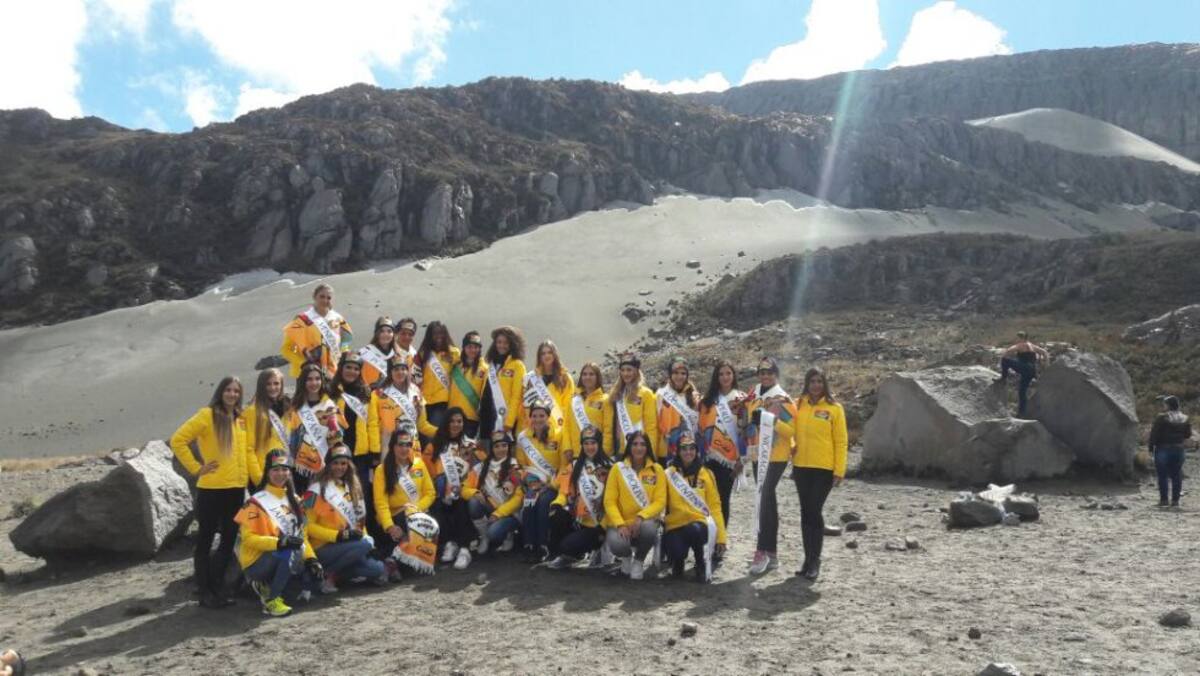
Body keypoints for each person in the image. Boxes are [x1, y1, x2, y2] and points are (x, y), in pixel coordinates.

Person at [169, 376, 253, 609]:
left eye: (237, 391)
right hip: (211, 489)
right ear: (220, 392)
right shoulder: (207, 415)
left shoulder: (240, 419)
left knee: (228, 540)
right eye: (228, 390)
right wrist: (197, 468)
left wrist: (250, 477)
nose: (232, 394)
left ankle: (217, 587)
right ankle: (204, 590)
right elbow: (179, 440)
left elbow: (245, 451)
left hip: (236, 489)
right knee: (205, 540)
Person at [236, 448, 323, 617]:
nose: (280, 473)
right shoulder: (254, 502)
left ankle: (266, 585)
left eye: (285, 469)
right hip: (256, 562)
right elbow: (248, 540)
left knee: (315, 580)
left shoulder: (296, 500)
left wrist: (312, 560)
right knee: (290, 551)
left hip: (284, 555)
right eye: (275, 469)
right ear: (267, 473)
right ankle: (271, 600)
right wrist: (279, 543)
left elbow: (302, 536)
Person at [302, 443, 387, 591]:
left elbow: (359, 521)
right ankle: (328, 574)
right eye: (335, 463)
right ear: (328, 465)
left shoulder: (353, 486)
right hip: (323, 547)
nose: (340, 467)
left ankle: (338, 574)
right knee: (364, 545)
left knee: (377, 569)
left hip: (348, 545)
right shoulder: (315, 490)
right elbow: (307, 527)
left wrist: (369, 543)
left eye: (343, 463)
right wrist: (338, 536)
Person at [791, 367, 848, 581]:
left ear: (825, 384)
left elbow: (841, 441)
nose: (816, 385)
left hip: (823, 469)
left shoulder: (835, 408)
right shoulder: (798, 405)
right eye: (812, 381)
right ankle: (807, 560)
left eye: (819, 381)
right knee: (806, 513)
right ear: (806, 383)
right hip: (801, 467)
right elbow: (790, 431)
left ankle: (815, 560)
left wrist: (839, 470)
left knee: (814, 511)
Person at [745, 357, 797, 576]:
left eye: (769, 372)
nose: (765, 376)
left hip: (775, 455)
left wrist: (771, 420)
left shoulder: (782, 399)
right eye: (762, 372)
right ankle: (772, 552)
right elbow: (748, 422)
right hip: (758, 454)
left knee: (764, 497)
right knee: (768, 499)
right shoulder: (754, 395)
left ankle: (762, 551)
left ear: (776, 374)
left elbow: (790, 431)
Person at [373, 425, 439, 577]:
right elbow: (380, 504)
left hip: (418, 513)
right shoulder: (381, 470)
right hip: (395, 518)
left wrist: (415, 509)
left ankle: (393, 561)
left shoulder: (419, 464)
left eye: (408, 444)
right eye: (400, 444)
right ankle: (394, 560)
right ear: (393, 446)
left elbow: (430, 493)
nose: (404, 448)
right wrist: (390, 527)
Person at [547, 425, 613, 569]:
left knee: (568, 545)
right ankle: (565, 555)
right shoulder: (575, 465)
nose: (590, 447)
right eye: (586, 443)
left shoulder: (611, 467)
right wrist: (557, 505)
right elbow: (564, 492)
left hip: (599, 524)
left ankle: (591, 549)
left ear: (599, 444)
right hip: (579, 520)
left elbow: (613, 502)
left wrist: (603, 527)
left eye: (593, 443)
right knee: (557, 515)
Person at [603, 430, 666, 580]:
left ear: (648, 447)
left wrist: (640, 517)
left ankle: (639, 560)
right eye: (635, 444)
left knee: (650, 528)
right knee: (616, 544)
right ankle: (626, 559)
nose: (639, 448)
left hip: (644, 522)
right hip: (622, 523)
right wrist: (620, 524)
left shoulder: (657, 470)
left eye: (643, 444)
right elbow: (609, 501)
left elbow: (660, 501)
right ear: (629, 447)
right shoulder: (617, 469)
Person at [663, 433, 726, 582]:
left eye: (692, 448)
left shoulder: (707, 474)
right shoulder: (668, 474)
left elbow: (715, 507)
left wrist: (721, 537)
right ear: (678, 451)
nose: (688, 452)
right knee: (675, 549)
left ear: (697, 451)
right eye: (684, 448)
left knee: (695, 530)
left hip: (699, 525)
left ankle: (700, 562)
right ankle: (678, 561)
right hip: (675, 525)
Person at [698, 360, 748, 532]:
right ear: (716, 377)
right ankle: (707, 539)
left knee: (723, 499)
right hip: (709, 456)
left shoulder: (742, 400)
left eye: (728, 373)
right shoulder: (708, 401)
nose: (725, 377)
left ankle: (721, 539)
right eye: (721, 374)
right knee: (706, 498)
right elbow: (702, 428)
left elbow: (744, 432)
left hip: (730, 459)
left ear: (733, 375)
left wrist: (742, 459)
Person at [515, 400, 565, 562]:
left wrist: (549, 485)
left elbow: (564, 467)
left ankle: (543, 545)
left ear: (548, 417)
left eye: (541, 415)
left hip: (553, 484)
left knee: (543, 502)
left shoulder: (559, 436)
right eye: (534, 416)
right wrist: (530, 482)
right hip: (533, 482)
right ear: (530, 418)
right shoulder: (523, 438)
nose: (537, 419)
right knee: (530, 500)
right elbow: (520, 465)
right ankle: (529, 544)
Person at [462, 432, 525, 554]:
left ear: (509, 447)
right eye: (497, 446)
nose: (501, 449)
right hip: (491, 507)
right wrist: (474, 492)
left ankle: (508, 534)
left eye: (504, 445)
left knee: (494, 534)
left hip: (510, 514)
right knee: (473, 502)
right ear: (491, 448)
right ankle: (484, 537)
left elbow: (518, 499)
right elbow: (464, 488)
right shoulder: (480, 467)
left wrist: (498, 514)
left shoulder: (515, 467)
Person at [368, 357, 437, 458]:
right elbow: (373, 423)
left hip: (412, 445)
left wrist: (442, 432)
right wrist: (375, 449)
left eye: (403, 369)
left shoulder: (416, 392)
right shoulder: (378, 394)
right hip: (388, 446)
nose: (400, 372)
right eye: (396, 369)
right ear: (390, 372)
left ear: (408, 371)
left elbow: (422, 425)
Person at [281, 283, 352, 380]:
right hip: (307, 374)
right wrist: (303, 363)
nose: (325, 300)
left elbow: (347, 338)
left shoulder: (338, 319)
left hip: (332, 373)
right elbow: (286, 349)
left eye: (329, 298)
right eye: (322, 296)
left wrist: (344, 354)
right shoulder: (302, 320)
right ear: (314, 297)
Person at [431, 431, 480, 570]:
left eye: (470, 449)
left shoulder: (479, 462)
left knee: (461, 502)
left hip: (471, 498)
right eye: (464, 449)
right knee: (443, 501)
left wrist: (464, 491)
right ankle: (451, 543)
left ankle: (465, 549)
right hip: (453, 495)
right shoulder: (451, 462)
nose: (467, 452)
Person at [245, 367, 296, 487]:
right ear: (261, 386)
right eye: (268, 384)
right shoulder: (252, 411)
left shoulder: (288, 407)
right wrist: (258, 478)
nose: (273, 387)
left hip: (285, 472)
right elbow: (248, 448)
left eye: (276, 383)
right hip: (264, 473)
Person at [606, 354, 659, 459]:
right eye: (623, 370)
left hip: (639, 448)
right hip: (619, 447)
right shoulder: (616, 393)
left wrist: (651, 451)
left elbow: (651, 426)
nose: (626, 373)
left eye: (629, 370)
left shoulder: (646, 394)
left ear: (636, 371)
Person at [481, 326, 528, 436]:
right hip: (487, 416)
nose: (502, 346)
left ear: (512, 344)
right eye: (499, 342)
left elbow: (517, 395)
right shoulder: (490, 365)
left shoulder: (518, 365)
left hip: (504, 419)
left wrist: (509, 422)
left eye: (506, 343)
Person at [415, 320, 460, 435]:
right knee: (423, 435)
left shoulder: (454, 353)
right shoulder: (422, 354)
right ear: (430, 336)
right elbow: (416, 377)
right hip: (424, 401)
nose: (438, 336)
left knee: (434, 434)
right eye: (435, 333)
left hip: (442, 402)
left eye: (441, 333)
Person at [521, 340, 575, 431]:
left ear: (555, 355)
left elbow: (568, 406)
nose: (547, 355)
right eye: (543, 353)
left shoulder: (565, 378)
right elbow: (526, 405)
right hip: (535, 426)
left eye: (549, 352)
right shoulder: (531, 378)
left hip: (557, 427)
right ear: (539, 357)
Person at [1149, 395, 1192, 508]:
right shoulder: (1185, 417)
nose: (1163, 406)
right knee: (1176, 475)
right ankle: (1175, 501)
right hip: (1179, 449)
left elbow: (1154, 434)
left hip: (1163, 449)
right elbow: (1188, 434)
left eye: (1164, 404)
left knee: (1162, 476)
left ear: (1168, 405)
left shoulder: (1161, 417)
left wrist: (1150, 448)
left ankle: (1164, 500)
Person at [656, 356, 700, 465]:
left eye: (683, 373)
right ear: (670, 374)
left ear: (687, 375)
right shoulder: (661, 395)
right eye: (676, 373)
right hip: (666, 449)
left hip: (690, 450)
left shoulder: (694, 397)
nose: (679, 376)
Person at [996, 331, 1050, 417]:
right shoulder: (1033, 346)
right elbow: (1045, 353)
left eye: (1018, 338)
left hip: (1024, 368)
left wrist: (1005, 356)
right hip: (1032, 371)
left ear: (1021, 338)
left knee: (1004, 360)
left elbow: (1008, 351)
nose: (1016, 339)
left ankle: (1003, 378)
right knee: (1022, 392)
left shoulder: (1020, 345)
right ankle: (1021, 413)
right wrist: (1046, 366)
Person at [564, 362, 611, 459]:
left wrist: (605, 452)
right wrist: (567, 447)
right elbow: (567, 427)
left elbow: (608, 430)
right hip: (576, 454)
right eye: (584, 374)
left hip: (597, 453)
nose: (587, 377)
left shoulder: (606, 400)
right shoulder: (573, 401)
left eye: (591, 374)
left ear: (597, 377)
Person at [448, 331, 489, 439]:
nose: (473, 350)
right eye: (469, 346)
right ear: (464, 348)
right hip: (452, 416)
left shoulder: (485, 369)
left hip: (471, 417)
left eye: (476, 347)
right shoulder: (456, 366)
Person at [357, 316, 396, 389]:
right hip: (366, 395)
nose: (386, 334)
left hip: (387, 398)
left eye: (389, 331)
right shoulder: (364, 353)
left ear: (393, 334)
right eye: (382, 331)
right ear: (376, 333)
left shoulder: (397, 356)